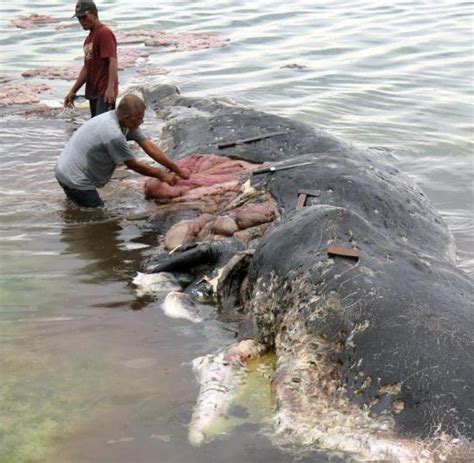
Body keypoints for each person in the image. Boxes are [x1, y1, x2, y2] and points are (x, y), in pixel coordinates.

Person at [55, 94, 190, 208]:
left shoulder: (121, 120)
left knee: (76, 208)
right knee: (100, 217)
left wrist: (176, 169)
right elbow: (132, 164)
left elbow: (148, 146)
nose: (142, 122)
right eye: (139, 118)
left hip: (64, 170)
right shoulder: (113, 134)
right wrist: (162, 175)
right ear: (126, 117)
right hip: (75, 178)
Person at [64, 1, 118, 117]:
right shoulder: (89, 39)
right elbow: (86, 68)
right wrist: (73, 91)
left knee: (102, 128)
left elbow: (112, 60)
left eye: (84, 17)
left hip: (104, 92)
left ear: (94, 14)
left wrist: (110, 89)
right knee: (95, 126)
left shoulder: (104, 33)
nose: (81, 21)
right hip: (93, 92)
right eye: (79, 18)